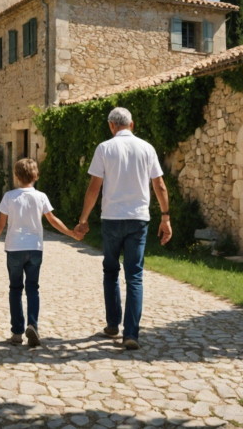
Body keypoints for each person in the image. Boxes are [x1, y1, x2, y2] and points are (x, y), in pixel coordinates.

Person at [74, 107, 172, 351]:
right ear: (132, 124)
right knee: (135, 275)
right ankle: (131, 334)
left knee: (110, 271)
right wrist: (166, 217)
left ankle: (112, 324)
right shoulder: (147, 148)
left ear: (111, 126)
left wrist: (84, 219)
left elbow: (94, 188)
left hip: (111, 219)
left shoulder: (104, 149)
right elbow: (159, 185)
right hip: (138, 220)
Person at [0, 158, 78, 347]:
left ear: (16, 175)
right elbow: (52, 220)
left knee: (15, 289)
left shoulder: (10, 197)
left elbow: (0, 223)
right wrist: (70, 233)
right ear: (36, 175)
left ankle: (16, 333)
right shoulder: (41, 197)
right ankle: (33, 325)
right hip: (35, 248)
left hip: (14, 248)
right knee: (32, 289)